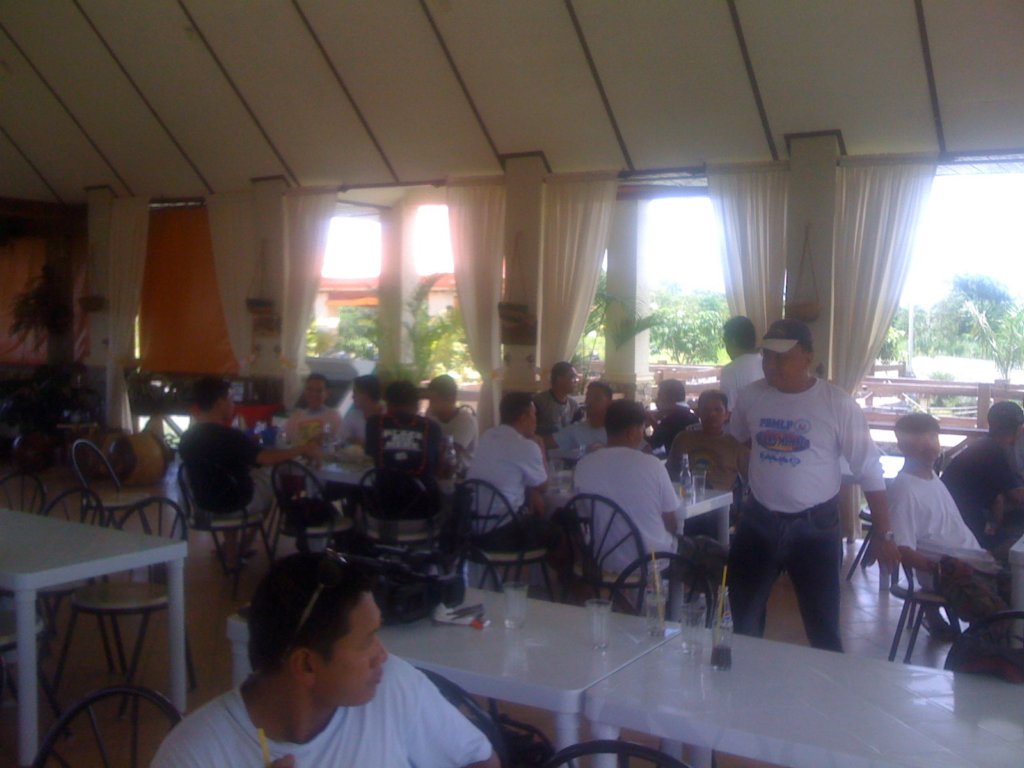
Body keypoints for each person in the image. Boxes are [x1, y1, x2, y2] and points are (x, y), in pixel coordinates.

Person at [151, 552, 497, 768]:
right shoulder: (195, 755)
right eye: (366, 641)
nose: (382, 655)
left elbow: (480, 760)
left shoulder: (392, 687)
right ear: (306, 665)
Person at [728, 318, 898, 652]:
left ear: (808, 356)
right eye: (767, 356)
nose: (772, 365)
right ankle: (745, 680)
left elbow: (868, 468)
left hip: (816, 528)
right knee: (744, 622)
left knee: (823, 631)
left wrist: (885, 533)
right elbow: (740, 440)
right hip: (758, 521)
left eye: (782, 357)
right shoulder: (752, 396)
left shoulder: (837, 403)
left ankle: (827, 686)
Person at [179, 377, 322, 566]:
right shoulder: (229, 436)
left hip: (202, 506)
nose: (233, 404)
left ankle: (231, 552)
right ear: (220, 403)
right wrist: (303, 449)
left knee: (230, 483)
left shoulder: (187, 438)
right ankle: (246, 544)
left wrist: (247, 449)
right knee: (270, 477)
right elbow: (267, 459)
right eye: (230, 399)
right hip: (235, 504)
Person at [889, 413, 1008, 633]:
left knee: (1017, 586)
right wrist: (941, 569)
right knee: (998, 614)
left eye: (933, 437)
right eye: (921, 440)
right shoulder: (904, 490)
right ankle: (984, 652)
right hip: (949, 574)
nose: (931, 446)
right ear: (902, 445)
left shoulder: (932, 477)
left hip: (976, 560)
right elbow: (902, 550)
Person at [574, 399, 678, 573]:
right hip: (648, 561)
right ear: (631, 433)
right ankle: (674, 591)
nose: (643, 436)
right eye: (642, 429)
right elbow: (671, 521)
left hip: (601, 559)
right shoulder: (652, 465)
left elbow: (583, 516)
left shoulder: (583, 464)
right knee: (687, 546)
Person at [941, 400, 1024, 556]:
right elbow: (1018, 496)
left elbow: (999, 497)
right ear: (1019, 429)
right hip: (963, 523)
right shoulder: (994, 452)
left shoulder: (985, 445)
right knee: (1015, 547)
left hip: (954, 515)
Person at [667, 389, 748, 537]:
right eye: (706, 410)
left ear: (727, 414)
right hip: (686, 501)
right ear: (698, 412)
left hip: (719, 508)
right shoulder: (683, 439)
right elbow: (669, 473)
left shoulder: (735, 444)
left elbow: (750, 481)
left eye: (717, 410)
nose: (712, 415)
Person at [365, 380, 443, 515]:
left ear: (387, 402)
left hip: (383, 507)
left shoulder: (374, 423)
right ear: (416, 404)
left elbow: (370, 453)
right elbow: (437, 465)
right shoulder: (432, 427)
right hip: (423, 508)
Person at [468, 392, 548, 515]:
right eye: (534, 414)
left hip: (474, 518)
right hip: (505, 520)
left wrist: (532, 491)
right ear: (523, 418)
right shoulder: (526, 446)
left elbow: (506, 474)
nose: (536, 420)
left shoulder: (487, 436)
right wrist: (541, 446)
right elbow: (543, 486)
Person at [426, 374, 478, 472]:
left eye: (434, 400)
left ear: (451, 399)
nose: (430, 404)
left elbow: (450, 455)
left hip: (461, 475)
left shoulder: (466, 421)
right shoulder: (431, 414)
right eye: (430, 400)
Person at [553, 380, 612, 456]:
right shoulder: (575, 430)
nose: (590, 401)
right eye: (588, 397)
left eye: (596, 398)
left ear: (609, 403)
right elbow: (545, 443)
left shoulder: (618, 432)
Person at [718, 315, 764, 412]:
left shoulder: (730, 371)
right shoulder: (767, 364)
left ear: (733, 342)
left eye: (726, 343)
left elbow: (728, 410)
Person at [285, 373, 343, 447]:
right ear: (305, 391)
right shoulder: (296, 416)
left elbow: (339, 443)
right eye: (309, 389)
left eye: (319, 391)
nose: (314, 394)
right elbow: (286, 441)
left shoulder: (334, 416)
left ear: (327, 393)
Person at [533, 362, 581, 447]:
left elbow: (578, 432)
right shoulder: (539, 402)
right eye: (572, 377)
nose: (576, 381)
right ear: (559, 379)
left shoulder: (574, 406)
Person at [646, 378, 699, 455]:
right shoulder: (691, 415)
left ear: (668, 398)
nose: (656, 400)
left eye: (659, 395)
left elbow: (652, 444)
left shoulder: (672, 419)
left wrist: (646, 422)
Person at [340, 374, 385, 447]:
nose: (352, 397)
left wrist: (358, 442)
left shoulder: (390, 414)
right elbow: (342, 440)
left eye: (355, 392)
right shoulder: (352, 415)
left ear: (366, 394)